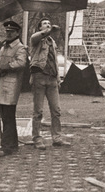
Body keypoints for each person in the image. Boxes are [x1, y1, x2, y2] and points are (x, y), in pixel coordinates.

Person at [29, 16, 71, 150]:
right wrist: (46, 31)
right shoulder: (36, 39)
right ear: (40, 27)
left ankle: (57, 138)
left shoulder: (52, 42)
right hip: (39, 77)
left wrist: (58, 78)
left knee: (56, 110)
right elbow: (34, 38)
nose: (48, 25)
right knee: (38, 111)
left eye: (49, 23)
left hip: (52, 79)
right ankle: (37, 139)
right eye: (44, 24)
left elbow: (54, 61)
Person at [0, 20, 28, 158]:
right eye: (7, 32)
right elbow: (1, 64)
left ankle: (6, 146)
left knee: (7, 116)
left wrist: (3, 67)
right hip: (2, 85)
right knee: (7, 117)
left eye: (11, 32)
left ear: (17, 33)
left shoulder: (20, 48)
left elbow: (21, 63)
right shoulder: (3, 47)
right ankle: (12, 144)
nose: (8, 34)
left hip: (11, 86)